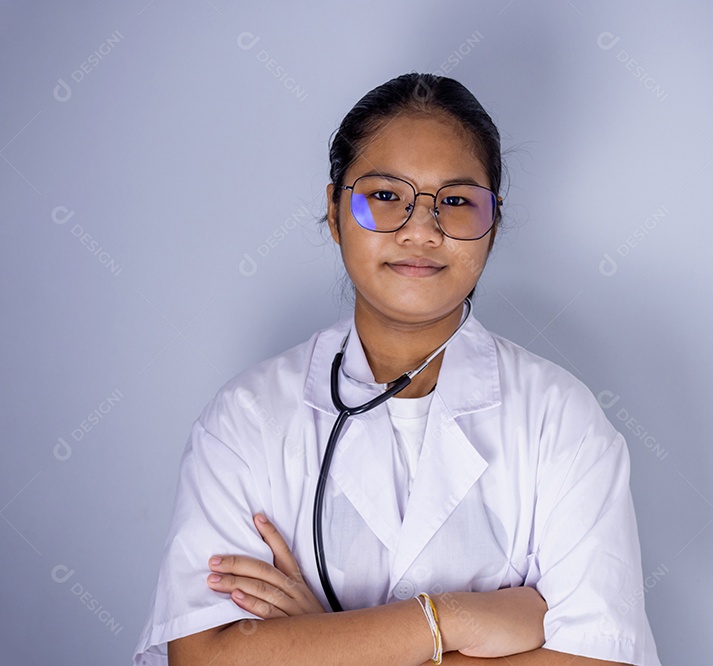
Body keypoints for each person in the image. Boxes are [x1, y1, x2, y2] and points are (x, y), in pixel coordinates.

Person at [132, 72, 660, 665]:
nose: (421, 230)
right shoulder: (247, 419)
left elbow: (601, 661)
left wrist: (321, 643)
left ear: (494, 224)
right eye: (386, 195)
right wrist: (447, 620)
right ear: (334, 212)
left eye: (456, 202)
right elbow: (204, 658)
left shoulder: (560, 418)